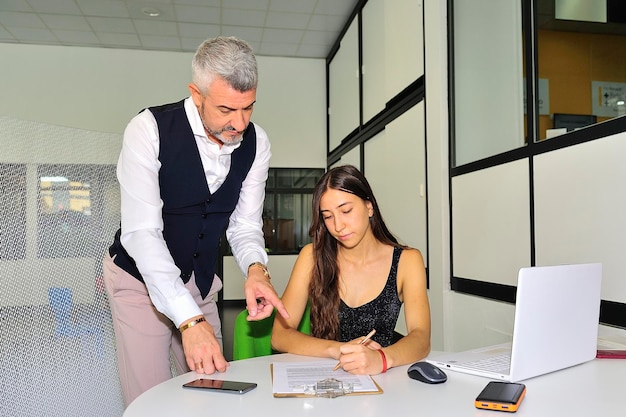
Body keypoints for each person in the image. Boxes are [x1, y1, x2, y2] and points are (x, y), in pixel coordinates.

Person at [102, 36, 288, 406]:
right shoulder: (148, 130)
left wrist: (255, 268)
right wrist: (189, 322)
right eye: (225, 110)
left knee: (214, 391)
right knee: (150, 399)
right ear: (196, 93)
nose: (239, 123)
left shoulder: (257, 142)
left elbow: (244, 224)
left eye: (248, 108)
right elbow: (142, 234)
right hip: (140, 280)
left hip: (199, 280)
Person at [271, 165, 430, 374]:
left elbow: (421, 337)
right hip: (325, 377)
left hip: (380, 380)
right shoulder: (312, 257)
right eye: (327, 216)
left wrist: (381, 359)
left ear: (369, 206)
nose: (338, 225)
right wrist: (338, 350)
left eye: (346, 211)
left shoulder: (407, 261)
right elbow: (279, 335)